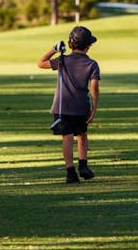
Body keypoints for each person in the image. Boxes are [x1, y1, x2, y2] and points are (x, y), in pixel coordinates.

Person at [38, 25, 100, 184]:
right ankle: (83, 166)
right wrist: (94, 108)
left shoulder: (63, 60)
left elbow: (41, 63)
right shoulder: (92, 64)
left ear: (70, 44)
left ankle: (70, 172)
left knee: (67, 138)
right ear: (88, 46)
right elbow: (94, 87)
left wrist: (54, 49)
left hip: (62, 107)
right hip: (81, 107)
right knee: (82, 136)